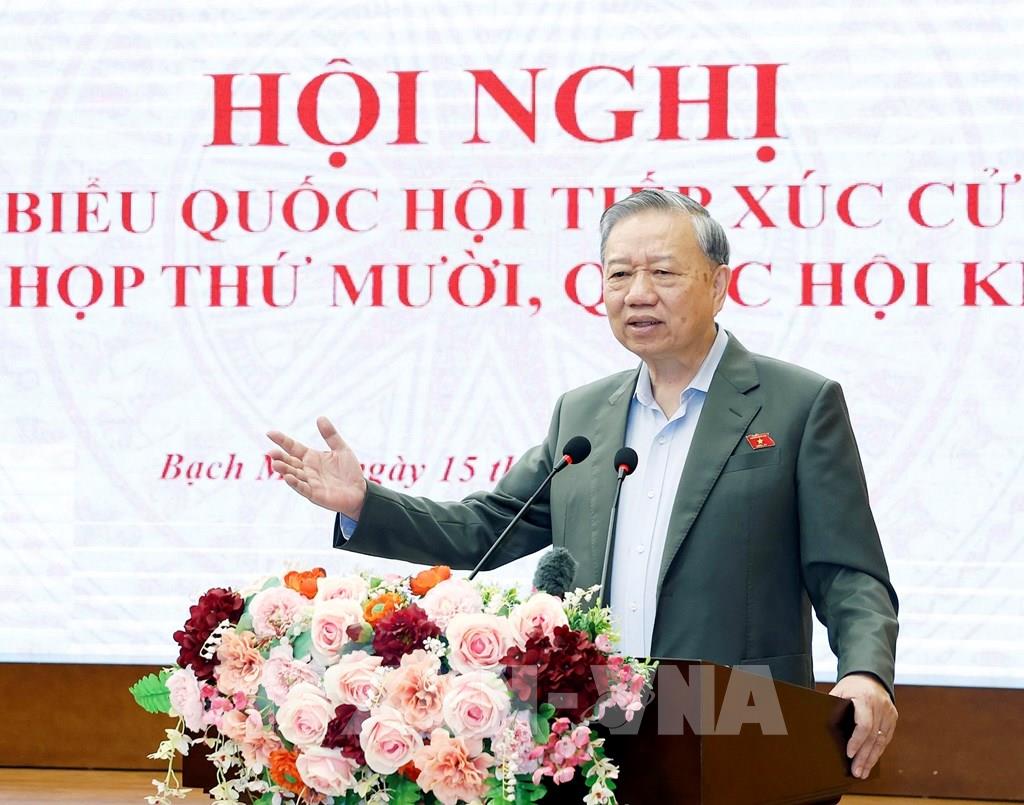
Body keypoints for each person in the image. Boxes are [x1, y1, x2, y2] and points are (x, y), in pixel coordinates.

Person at [268, 189, 899, 779]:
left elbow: (848, 572)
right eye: (619, 275)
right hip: (592, 721)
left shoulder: (795, 405)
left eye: (663, 272)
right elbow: (489, 526)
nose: (638, 293)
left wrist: (867, 672)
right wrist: (365, 503)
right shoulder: (584, 414)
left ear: (718, 285)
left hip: (740, 718)